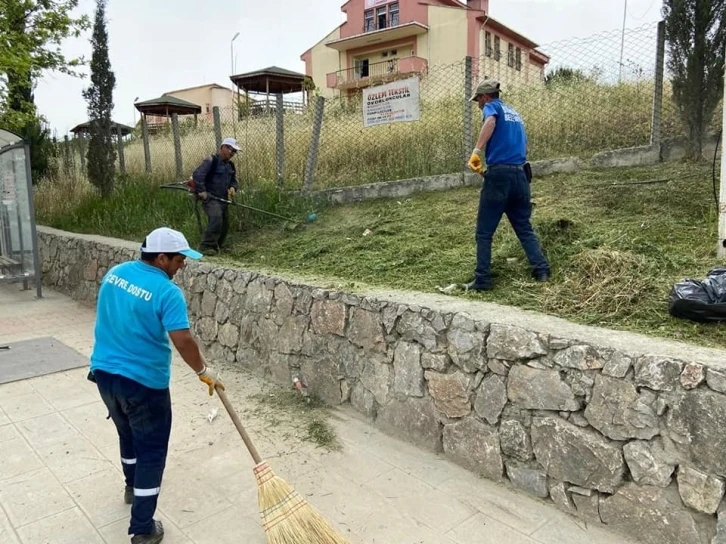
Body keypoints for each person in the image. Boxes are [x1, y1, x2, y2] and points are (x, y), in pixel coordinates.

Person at [88, 227, 225, 544]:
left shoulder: (116, 273)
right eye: (180, 259)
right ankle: (142, 528)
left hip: (105, 376)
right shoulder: (167, 292)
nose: (183, 265)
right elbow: (183, 339)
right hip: (143, 385)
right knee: (151, 452)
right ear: (162, 258)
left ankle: (131, 487)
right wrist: (204, 371)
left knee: (127, 435)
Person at [465, 79, 550, 291]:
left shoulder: (492, 108)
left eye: (479, 101)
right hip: (520, 175)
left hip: (500, 175)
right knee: (523, 226)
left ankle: (483, 280)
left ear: (485, 97)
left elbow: (491, 122)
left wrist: (477, 151)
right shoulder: (515, 114)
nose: (479, 106)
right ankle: (542, 270)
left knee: (484, 233)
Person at [191, 137, 241, 256]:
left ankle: (218, 246)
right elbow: (198, 175)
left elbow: (233, 181)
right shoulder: (211, 160)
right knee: (216, 218)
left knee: (225, 223)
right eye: (232, 150)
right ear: (223, 147)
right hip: (210, 198)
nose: (233, 153)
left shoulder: (230, 165)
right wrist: (202, 191)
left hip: (223, 199)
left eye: (235, 151)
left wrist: (233, 187)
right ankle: (206, 246)